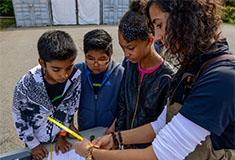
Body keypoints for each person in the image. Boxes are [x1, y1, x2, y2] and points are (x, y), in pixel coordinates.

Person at [73, 0, 235, 159]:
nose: (157, 37)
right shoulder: (192, 68)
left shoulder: (221, 78)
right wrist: (116, 138)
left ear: (185, 18)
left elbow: (159, 154)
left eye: (159, 25)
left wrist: (90, 153)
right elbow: (161, 124)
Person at [12, 30, 81, 160]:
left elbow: (70, 108)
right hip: (36, 140)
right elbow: (20, 117)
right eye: (56, 69)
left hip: (59, 137)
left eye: (68, 68)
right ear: (42, 63)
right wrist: (33, 145)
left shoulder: (75, 77)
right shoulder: (26, 84)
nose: (64, 75)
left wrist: (62, 135)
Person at [114, 0, 174, 148]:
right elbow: (123, 104)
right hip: (124, 143)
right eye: (122, 48)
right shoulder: (129, 64)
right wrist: (116, 136)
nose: (126, 54)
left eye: (130, 48)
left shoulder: (167, 77)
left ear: (150, 40)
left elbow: (162, 126)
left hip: (148, 150)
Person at [75, 29, 124, 133]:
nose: (96, 64)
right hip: (84, 130)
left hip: (109, 130)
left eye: (102, 59)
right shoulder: (77, 72)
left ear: (110, 56)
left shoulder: (120, 73)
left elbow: (124, 106)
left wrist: (113, 128)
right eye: (90, 58)